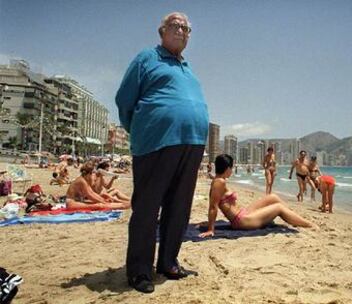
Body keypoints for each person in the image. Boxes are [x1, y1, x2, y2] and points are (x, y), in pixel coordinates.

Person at [115, 12, 209, 293]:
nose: (182, 30)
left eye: (186, 27)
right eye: (175, 25)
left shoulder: (187, 67)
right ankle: (140, 271)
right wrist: (144, 129)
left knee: (179, 207)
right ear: (162, 31)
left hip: (191, 143)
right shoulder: (147, 58)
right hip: (155, 142)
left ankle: (168, 262)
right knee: (147, 207)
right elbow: (124, 100)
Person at [199, 154, 313, 238]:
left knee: (272, 197)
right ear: (227, 168)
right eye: (232, 168)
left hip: (242, 213)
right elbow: (213, 206)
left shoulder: (219, 180)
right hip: (241, 221)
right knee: (278, 207)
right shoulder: (219, 182)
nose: (232, 170)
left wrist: (209, 223)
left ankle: (293, 216)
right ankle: (308, 224)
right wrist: (210, 229)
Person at [66, 162, 130, 210]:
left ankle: (124, 204)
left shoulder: (84, 180)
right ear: (88, 173)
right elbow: (90, 195)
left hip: (78, 201)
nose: (92, 175)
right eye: (91, 173)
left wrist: (102, 200)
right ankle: (123, 205)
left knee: (101, 203)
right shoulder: (81, 181)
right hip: (71, 203)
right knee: (99, 205)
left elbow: (92, 193)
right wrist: (103, 202)